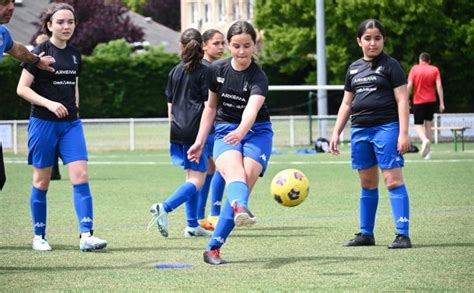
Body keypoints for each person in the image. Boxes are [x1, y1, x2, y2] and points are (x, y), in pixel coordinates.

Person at [16, 2, 107, 252]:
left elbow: (73, 86)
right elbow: (21, 89)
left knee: (81, 176)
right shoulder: (38, 52)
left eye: (70, 22)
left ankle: (87, 235)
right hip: (43, 124)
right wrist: (50, 103)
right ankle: (39, 237)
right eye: (60, 22)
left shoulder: (76, 54)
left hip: (71, 125)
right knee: (41, 182)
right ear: (49, 25)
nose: (66, 26)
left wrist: (75, 110)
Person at [188, 20, 274, 265]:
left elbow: (252, 109)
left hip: (257, 131)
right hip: (226, 129)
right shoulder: (216, 70)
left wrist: (242, 130)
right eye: (236, 46)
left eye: (247, 46)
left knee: (244, 181)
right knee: (235, 175)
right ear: (228, 45)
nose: (242, 51)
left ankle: (213, 247)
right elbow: (211, 107)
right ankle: (241, 208)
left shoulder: (259, 76)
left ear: (254, 45)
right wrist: (199, 141)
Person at [329, 19, 412, 249]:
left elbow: (402, 99)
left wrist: (403, 133)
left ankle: (403, 234)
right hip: (360, 131)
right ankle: (366, 233)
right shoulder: (353, 68)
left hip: (386, 128)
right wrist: (336, 132)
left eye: (377, 38)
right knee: (367, 182)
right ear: (359, 41)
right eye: (368, 38)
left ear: (383, 40)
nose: (373, 43)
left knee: (392, 180)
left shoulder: (391, 65)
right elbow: (347, 104)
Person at [147, 28, 212, 239]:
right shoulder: (206, 72)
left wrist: (175, 129)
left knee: (190, 178)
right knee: (198, 181)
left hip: (177, 130)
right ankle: (164, 207)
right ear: (202, 47)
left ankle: (192, 225)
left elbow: (170, 106)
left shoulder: (174, 71)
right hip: (196, 131)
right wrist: (203, 136)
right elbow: (208, 106)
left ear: (181, 47)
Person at [0, 0, 55, 191]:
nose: (11, 7)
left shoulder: (2, 34)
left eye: (12, 2)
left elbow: (16, 49)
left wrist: (37, 60)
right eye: (3, 3)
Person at [196, 29, 226, 231]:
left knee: (211, 170)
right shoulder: (207, 69)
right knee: (223, 168)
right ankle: (213, 214)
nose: (221, 47)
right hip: (208, 127)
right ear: (204, 45)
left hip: (214, 127)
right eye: (216, 43)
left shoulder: (218, 67)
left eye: (223, 43)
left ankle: (201, 217)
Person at [34, 33, 62, 180]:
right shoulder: (34, 61)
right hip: (45, 109)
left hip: (50, 110)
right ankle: (52, 171)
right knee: (51, 144)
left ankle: (52, 172)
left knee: (50, 144)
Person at [407, 52, 445, 159]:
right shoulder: (434, 69)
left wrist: (406, 99)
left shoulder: (415, 69)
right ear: (429, 61)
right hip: (431, 101)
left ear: (420, 60)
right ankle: (428, 153)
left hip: (419, 101)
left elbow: (409, 85)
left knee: (418, 125)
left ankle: (424, 140)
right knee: (428, 124)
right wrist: (441, 102)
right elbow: (439, 86)